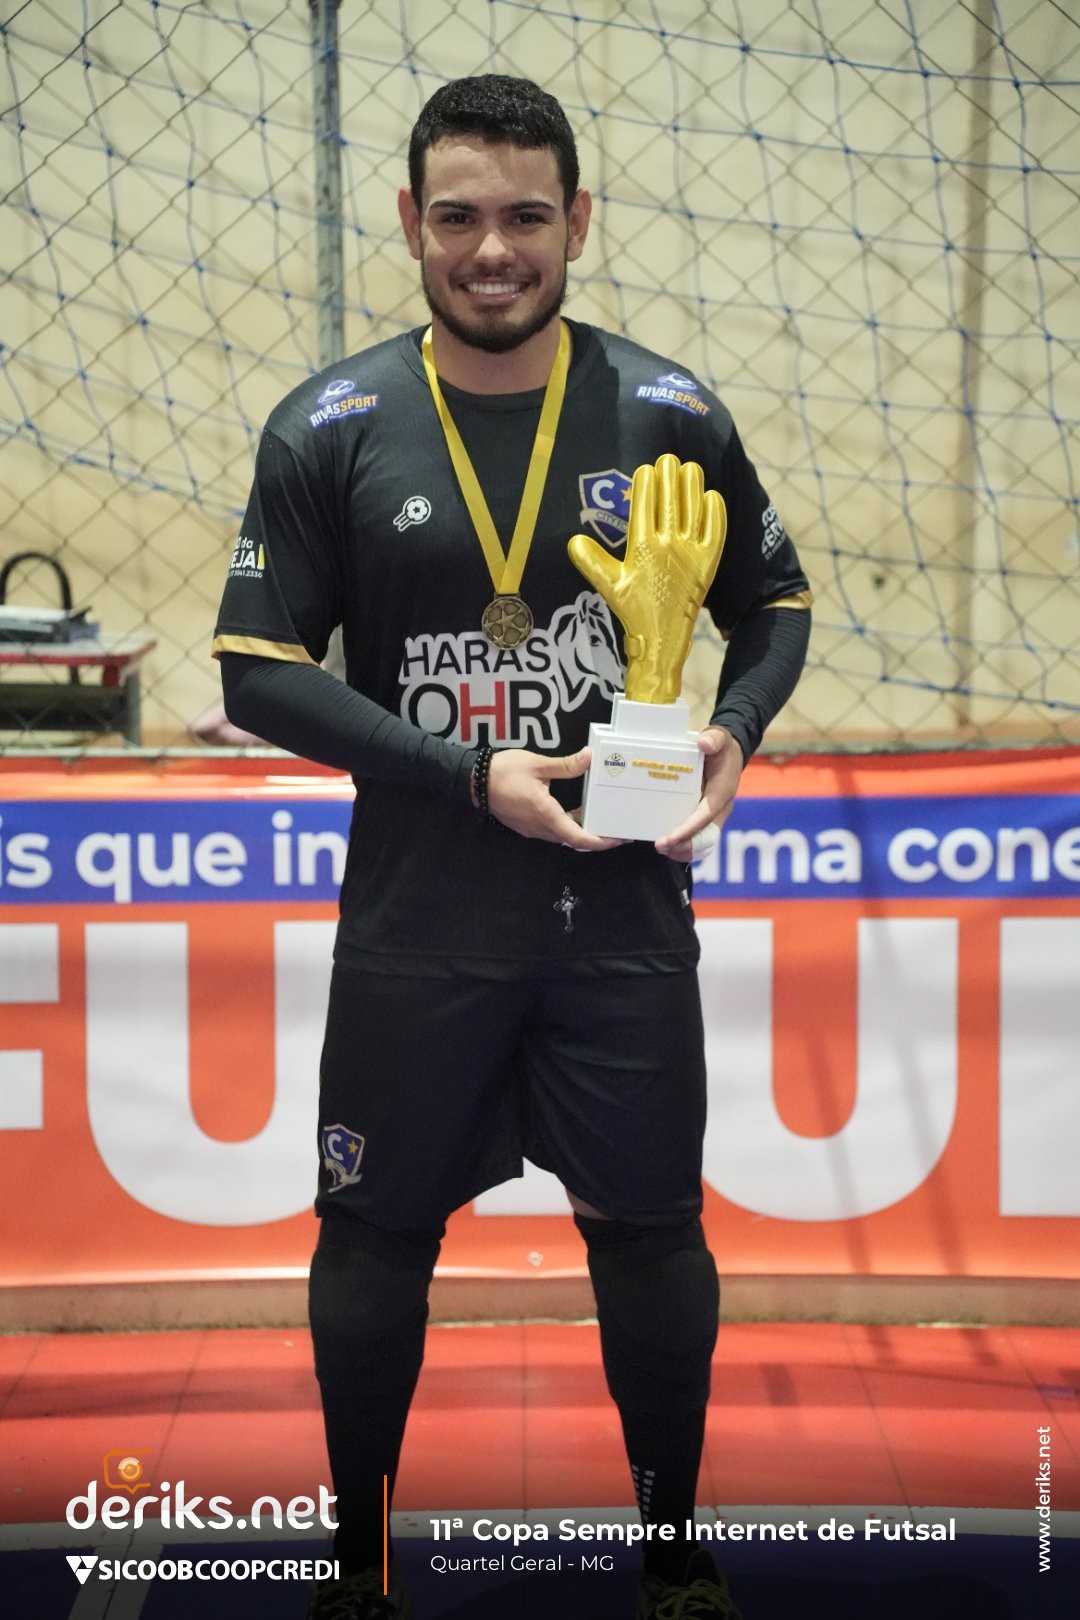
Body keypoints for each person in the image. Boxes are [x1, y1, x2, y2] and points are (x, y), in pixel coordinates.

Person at [212, 74, 810, 1620]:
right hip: (418, 932)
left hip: (620, 924)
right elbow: (255, 671)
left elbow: (777, 601)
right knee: (373, 1236)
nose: (494, 250)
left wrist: (736, 728)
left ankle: (673, 1560)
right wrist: (469, 776)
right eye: (461, 216)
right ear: (411, 221)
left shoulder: (667, 411)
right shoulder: (331, 424)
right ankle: (359, 1568)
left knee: (651, 1237)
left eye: (527, 216)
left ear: (578, 221)